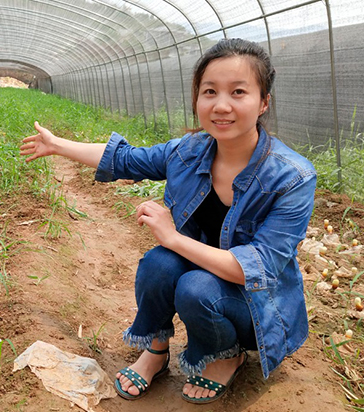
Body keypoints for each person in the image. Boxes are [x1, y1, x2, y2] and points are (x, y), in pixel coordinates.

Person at [19, 38, 316, 404]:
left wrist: (172, 237)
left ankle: (228, 355)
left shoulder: (291, 177)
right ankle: (156, 351)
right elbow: (126, 159)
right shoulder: (189, 151)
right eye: (210, 91)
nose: (221, 105)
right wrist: (58, 145)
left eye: (238, 92)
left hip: (255, 305)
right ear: (197, 99)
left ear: (263, 101)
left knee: (194, 286)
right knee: (158, 265)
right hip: (204, 276)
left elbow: (252, 270)